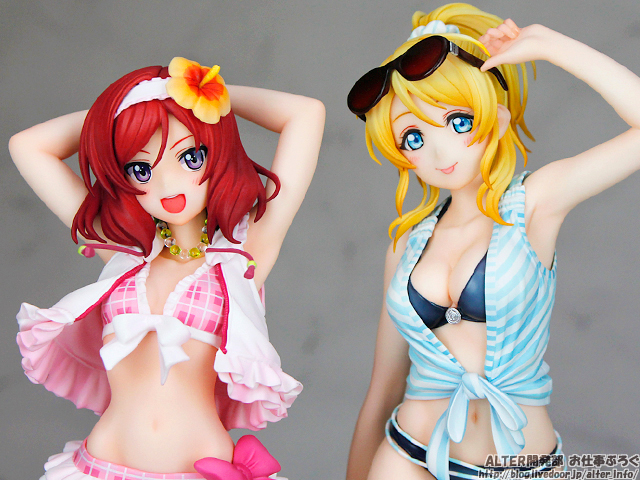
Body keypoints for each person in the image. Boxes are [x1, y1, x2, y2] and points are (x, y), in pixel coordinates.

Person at [345, 3, 640, 480]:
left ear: (497, 119)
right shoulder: (405, 245)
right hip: (406, 455)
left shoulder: (534, 204)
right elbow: (383, 387)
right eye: (413, 138)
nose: (439, 150)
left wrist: (551, 46)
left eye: (458, 122)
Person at [9, 57, 324, 479]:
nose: (167, 185)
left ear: (217, 151)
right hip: (99, 467)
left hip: (200, 470)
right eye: (140, 169)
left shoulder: (242, 255)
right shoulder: (123, 251)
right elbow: (28, 146)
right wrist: (120, 111)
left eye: (190, 156)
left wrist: (200, 98)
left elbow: (306, 114)